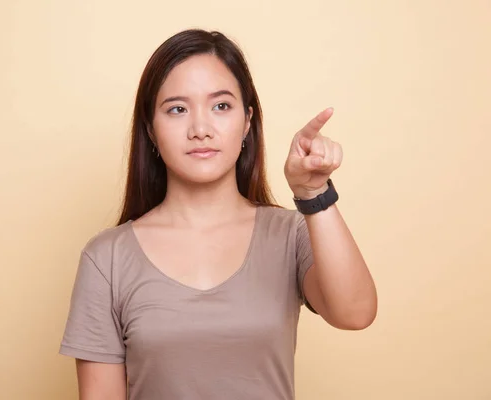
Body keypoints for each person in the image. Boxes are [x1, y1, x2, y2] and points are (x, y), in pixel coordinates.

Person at [59, 28, 377, 400]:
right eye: (177, 109)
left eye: (221, 106)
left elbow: (355, 314)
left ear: (246, 121)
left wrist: (313, 193)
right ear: (150, 130)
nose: (200, 129)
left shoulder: (290, 234)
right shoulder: (107, 259)